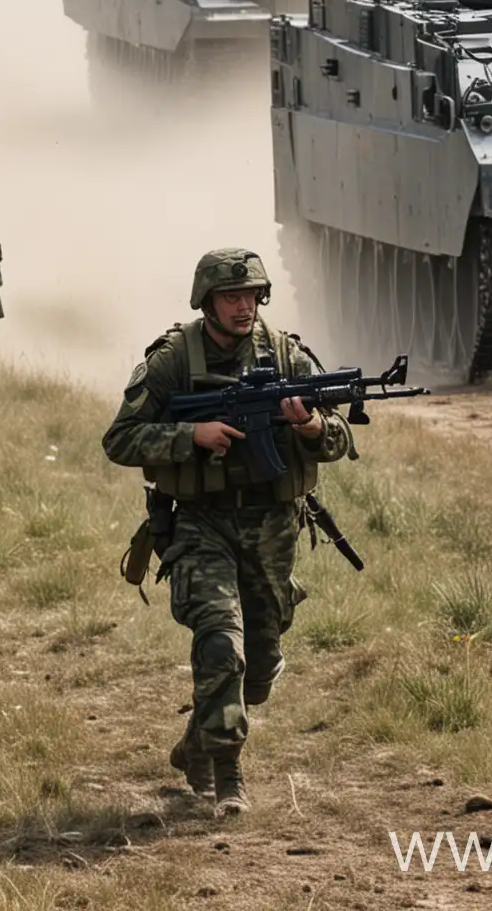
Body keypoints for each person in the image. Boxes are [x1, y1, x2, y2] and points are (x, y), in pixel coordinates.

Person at [103, 248, 352, 817]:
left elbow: (339, 441)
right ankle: (227, 774)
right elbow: (119, 439)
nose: (244, 307)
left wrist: (312, 425)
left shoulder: (286, 354)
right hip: (199, 522)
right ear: (206, 302)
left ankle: (195, 743)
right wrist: (191, 435)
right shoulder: (172, 359)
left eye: (251, 296)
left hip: (272, 528)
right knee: (221, 646)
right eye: (230, 297)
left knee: (259, 668)